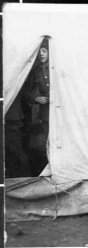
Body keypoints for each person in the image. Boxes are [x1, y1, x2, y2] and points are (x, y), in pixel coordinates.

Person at [24, 38, 51, 175]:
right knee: (48, 141)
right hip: (46, 113)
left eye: (44, 50)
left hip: (63, 112)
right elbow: (25, 92)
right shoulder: (35, 72)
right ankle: (51, 167)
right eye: (39, 51)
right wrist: (36, 98)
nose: (41, 54)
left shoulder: (56, 68)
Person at [5, 86, 32, 178]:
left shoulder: (12, 81)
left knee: (15, 150)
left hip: (12, 119)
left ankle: (21, 176)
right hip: (13, 118)